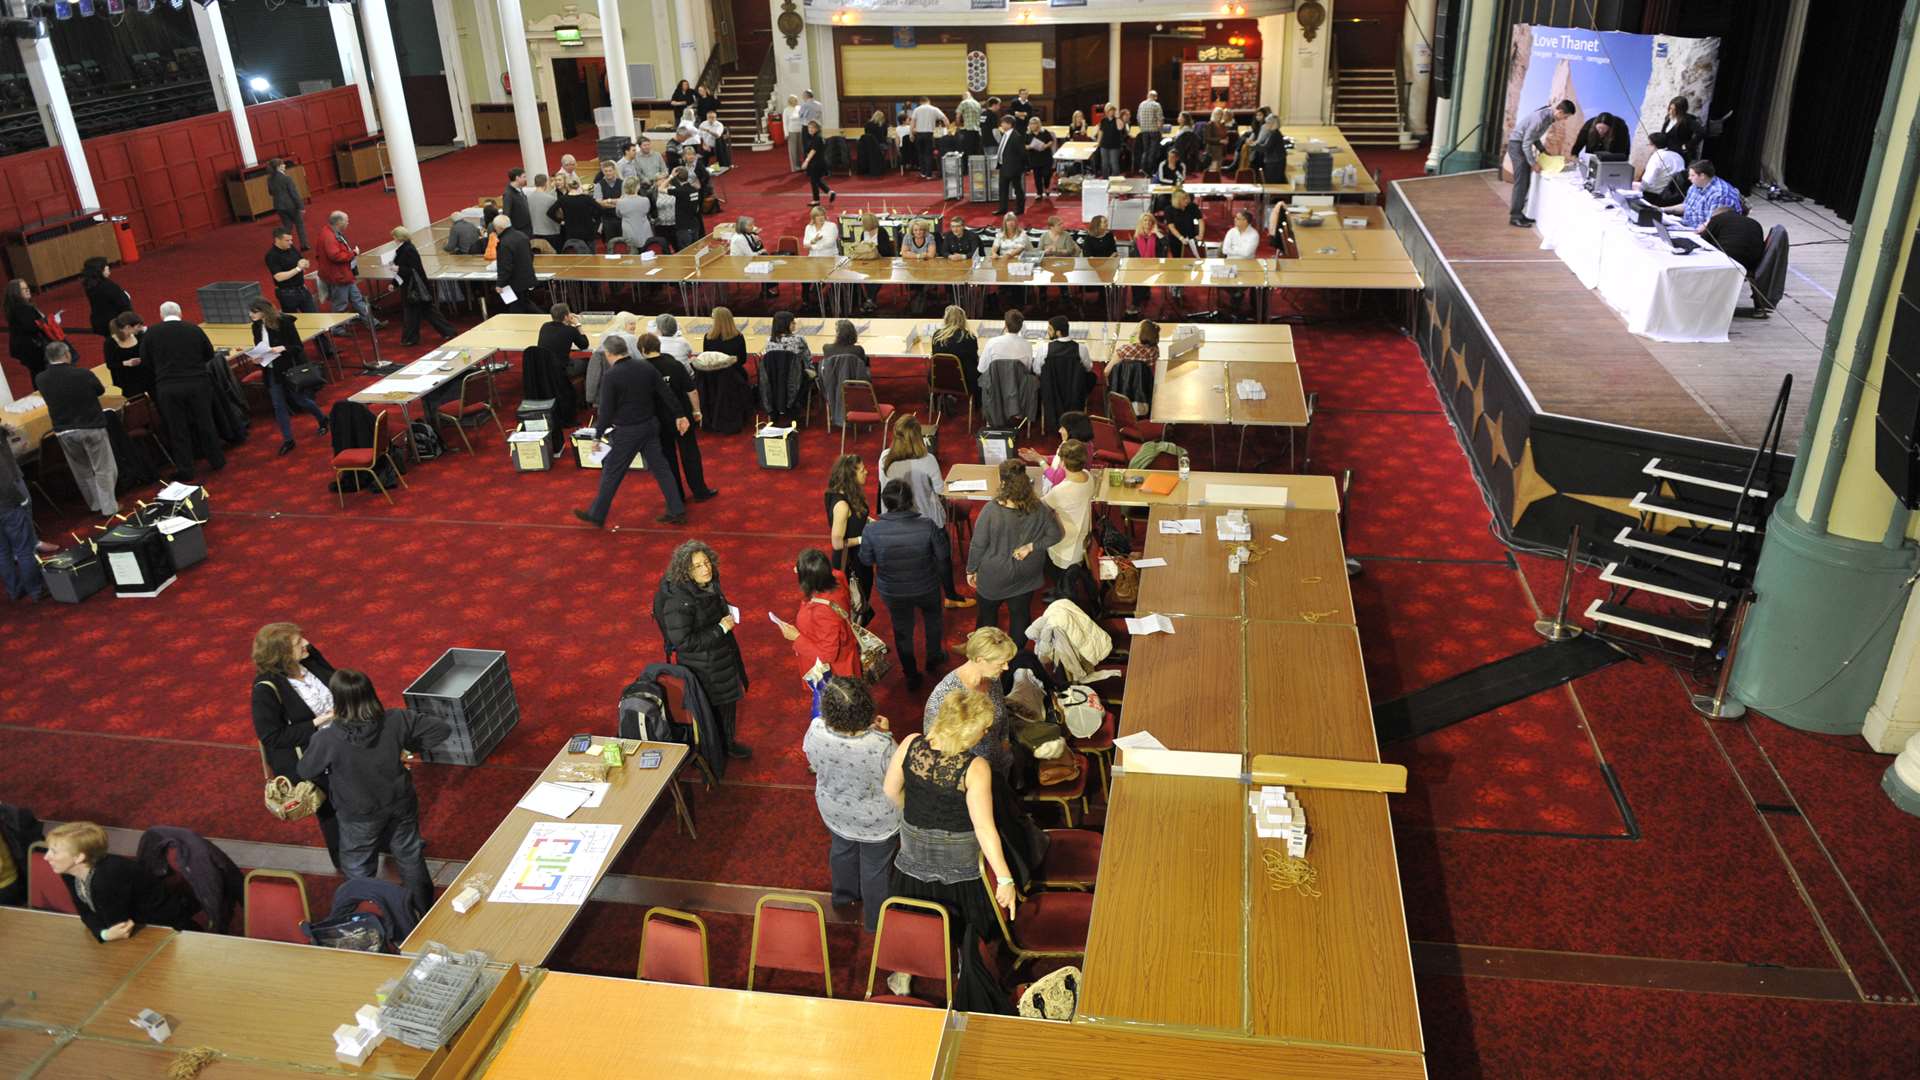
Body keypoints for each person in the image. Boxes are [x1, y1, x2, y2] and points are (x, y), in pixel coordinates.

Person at [297, 670, 448, 915]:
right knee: (409, 855)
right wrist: (409, 749)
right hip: (399, 802)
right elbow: (440, 730)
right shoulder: (396, 719)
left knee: (358, 865)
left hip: (358, 812)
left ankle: (374, 915)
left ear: (337, 700)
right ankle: (424, 912)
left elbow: (305, 769)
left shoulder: (328, 739)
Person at [884, 687, 1018, 941]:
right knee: (964, 931)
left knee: (913, 923)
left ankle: (904, 972)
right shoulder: (976, 767)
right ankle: (960, 968)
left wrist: (916, 816)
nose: (986, 732)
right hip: (959, 861)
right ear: (968, 733)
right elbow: (984, 828)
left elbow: (890, 791)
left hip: (912, 850)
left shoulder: (910, 743)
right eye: (984, 727)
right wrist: (1004, 878)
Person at [804, 676, 898, 930]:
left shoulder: (815, 729)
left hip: (834, 810)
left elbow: (812, 761)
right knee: (875, 868)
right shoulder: (880, 744)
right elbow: (896, 778)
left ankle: (843, 897)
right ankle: (876, 922)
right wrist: (886, 733)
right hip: (877, 820)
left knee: (841, 850)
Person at [250, 622, 343, 867]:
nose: (305, 644)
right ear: (280, 655)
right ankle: (345, 862)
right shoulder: (265, 690)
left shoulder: (310, 658)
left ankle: (384, 841)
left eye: (302, 638)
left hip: (345, 742)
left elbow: (337, 681)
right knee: (332, 811)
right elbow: (272, 737)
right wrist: (318, 721)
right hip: (317, 759)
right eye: (296, 643)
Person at [573, 334, 689, 527]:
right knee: (662, 469)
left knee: (612, 471)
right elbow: (665, 392)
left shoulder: (611, 376)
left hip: (628, 431)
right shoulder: (645, 366)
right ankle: (677, 510)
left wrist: (598, 434)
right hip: (651, 426)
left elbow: (606, 410)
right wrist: (680, 414)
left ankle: (597, 514)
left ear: (609, 354)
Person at [654, 540, 753, 758]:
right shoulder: (679, 602)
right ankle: (715, 751)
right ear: (686, 572)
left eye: (706, 562)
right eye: (698, 566)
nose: (706, 568)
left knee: (727, 704)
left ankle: (727, 744)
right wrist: (719, 629)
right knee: (711, 711)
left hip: (720, 656)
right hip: (704, 665)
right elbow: (683, 642)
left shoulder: (707, 583)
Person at [860, 479, 953, 691]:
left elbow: (866, 560)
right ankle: (934, 657)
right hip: (926, 585)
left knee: (902, 629)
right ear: (910, 501)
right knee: (933, 621)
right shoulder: (927, 524)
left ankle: (910, 672)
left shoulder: (872, 530)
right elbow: (943, 555)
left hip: (893, 590)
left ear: (885, 502)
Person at [44, 821, 198, 942]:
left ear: (79, 857)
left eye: (54, 852)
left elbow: (119, 927)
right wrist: (103, 934)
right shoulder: (69, 871)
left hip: (170, 933)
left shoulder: (107, 878)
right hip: (141, 933)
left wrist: (105, 932)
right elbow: (85, 913)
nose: (46, 857)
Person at [879, 415, 972, 608]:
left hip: (896, 522)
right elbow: (939, 490)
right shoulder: (927, 459)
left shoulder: (885, 458)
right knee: (943, 557)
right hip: (927, 521)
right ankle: (951, 597)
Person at [968, 459, 1062, 644]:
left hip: (995, 575)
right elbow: (1055, 535)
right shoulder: (1039, 507)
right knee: (1020, 616)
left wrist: (971, 569)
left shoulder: (991, 510)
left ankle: (989, 656)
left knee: (987, 619)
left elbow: (978, 545)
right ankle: (1016, 657)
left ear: (1003, 483)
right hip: (1027, 572)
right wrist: (1031, 546)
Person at [142, 301, 226, 481]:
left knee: (177, 428)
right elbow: (209, 354)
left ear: (161, 315)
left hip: (168, 386)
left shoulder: (151, 334)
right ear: (180, 313)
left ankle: (186, 468)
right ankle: (216, 459)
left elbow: (146, 361)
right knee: (205, 422)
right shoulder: (193, 329)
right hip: (197, 382)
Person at [36, 342, 117, 515]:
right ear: (66, 355)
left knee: (82, 471)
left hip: (64, 430)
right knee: (103, 468)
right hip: (91, 425)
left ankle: (95, 505)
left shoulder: (41, 379)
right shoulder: (82, 374)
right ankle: (109, 507)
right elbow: (99, 390)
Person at [641, 331, 718, 503]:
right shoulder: (674, 364)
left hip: (658, 420)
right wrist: (697, 411)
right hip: (681, 416)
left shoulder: (642, 369)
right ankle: (700, 491)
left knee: (668, 457)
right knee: (690, 454)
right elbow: (691, 391)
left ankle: (677, 495)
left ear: (643, 350)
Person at [246, 299, 329, 455]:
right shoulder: (256, 326)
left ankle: (322, 419)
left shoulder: (284, 323)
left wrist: (282, 348)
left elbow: (297, 346)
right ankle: (288, 439)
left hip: (287, 369)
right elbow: (260, 348)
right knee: (278, 405)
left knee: (300, 400)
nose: (250, 315)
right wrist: (257, 358)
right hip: (270, 370)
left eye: (253, 312)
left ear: (263, 311)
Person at [774, 547, 862, 680]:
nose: (794, 570)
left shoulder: (822, 612)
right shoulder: (837, 577)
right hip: (847, 652)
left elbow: (828, 655)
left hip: (835, 673)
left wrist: (797, 638)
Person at [263, 229, 334, 367]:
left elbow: (300, 260)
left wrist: (304, 263)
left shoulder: (291, 248)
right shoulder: (271, 256)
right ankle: (298, 355)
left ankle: (326, 349)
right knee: (291, 326)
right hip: (287, 293)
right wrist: (297, 269)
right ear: (277, 240)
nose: (291, 242)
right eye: (287, 240)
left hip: (302, 289)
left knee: (315, 319)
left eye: (291, 240)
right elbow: (278, 277)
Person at [1, 421, 51, 602]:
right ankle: (36, 590)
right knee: (24, 548)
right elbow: (4, 477)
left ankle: (14, 590)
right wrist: (20, 499)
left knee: (3, 551)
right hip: (7, 501)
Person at [1508, 99, 1576, 227]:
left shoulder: (1548, 117)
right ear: (1560, 112)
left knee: (1525, 181)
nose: (1565, 119)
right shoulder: (1541, 119)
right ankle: (1515, 217)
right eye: (1565, 117)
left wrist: (1543, 151)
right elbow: (1527, 143)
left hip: (1520, 145)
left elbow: (1535, 137)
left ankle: (1519, 213)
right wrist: (1533, 163)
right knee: (1521, 181)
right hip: (1517, 146)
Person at [825, 454, 874, 620]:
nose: (866, 472)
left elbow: (857, 518)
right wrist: (863, 539)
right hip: (851, 564)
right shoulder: (842, 505)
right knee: (855, 605)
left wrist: (869, 522)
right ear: (851, 476)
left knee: (860, 601)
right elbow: (837, 543)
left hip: (860, 558)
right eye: (862, 470)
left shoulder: (851, 494)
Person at [1040, 439, 1095, 584]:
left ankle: (1059, 592)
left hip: (1065, 540)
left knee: (1061, 579)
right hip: (1082, 533)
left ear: (1062, 463)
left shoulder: (1060, 491)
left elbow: (1040, 506)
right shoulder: (1088, 476)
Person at [389, 227, 455, 346]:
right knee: (427, 312)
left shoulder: (407, 250)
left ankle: (410, 339)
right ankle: (448, 332)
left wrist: (398, 270)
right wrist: (394, 283)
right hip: (416, 287)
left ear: (398, 238)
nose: (393, 239)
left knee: (413, 314)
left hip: (414, 287)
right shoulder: (406, 248)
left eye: (394, 237)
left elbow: (414, 269)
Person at [316, 211, 380, 329]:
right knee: (340, 305)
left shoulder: (329, 232)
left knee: (358, 299)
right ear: (339, 222)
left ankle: (371, 323)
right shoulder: (330, 237)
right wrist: (353, 254)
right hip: (339, 276)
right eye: (346, 220)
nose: (348, 223)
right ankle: (337, 329)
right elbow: (335, 256)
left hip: (344, 274)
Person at [1666, 159, 1746, 232]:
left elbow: (1712, 224)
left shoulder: (1719, 195)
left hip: (1702, 232)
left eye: (1692, 175)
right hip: (1687, 225)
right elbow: (1687, 206)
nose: (1689, 178)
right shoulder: (1696, 185)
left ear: (1702, 176)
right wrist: (1662, 209)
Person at [5, 279, 58, 383]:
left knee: (37, 372)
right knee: (39, 372)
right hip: (31, 347)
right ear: (16, 293)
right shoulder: (22, 308)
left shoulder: (15, 307)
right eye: (23, 289)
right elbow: (31, 327)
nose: (27, 290)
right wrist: (46, 323)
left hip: (25, 347)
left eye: (27, 288)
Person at [930, 303, 980, 405]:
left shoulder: (937, 336)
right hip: (964, 382)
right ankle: (979, 404)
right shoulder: (969, 337)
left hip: (939, 379)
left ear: (946, 319)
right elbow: (975, 361)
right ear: (963, 319)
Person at [1702, 205, 1768, 277]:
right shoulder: (1754, 222)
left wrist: (1703, 229)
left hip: (1727, 263)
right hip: (1752, 266)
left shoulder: (1717, 218)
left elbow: (1703, 242)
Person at [1110, 321, 1159, 414]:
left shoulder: (1124, 350)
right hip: (1145, 395)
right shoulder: (1155, 351)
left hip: (1121, 394)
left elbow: (1106, 371)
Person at [492, 215, 536, 313]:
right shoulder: (522, 235)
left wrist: (500, 284)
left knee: (517, 307)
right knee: (525, 303)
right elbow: (531, 256)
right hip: (527, 277)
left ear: (499, 228)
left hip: (514, 282)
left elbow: (505, 266)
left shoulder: (504, 243)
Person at [103, 311, 152, 400]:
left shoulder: (139, 336)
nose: (141, 328)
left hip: (145, 374)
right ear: (128, 327)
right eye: (138, 326)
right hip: (127, 380)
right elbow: (110, 364)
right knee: (137, 403)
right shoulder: (110, 343)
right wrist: (126, 363)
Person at [81, 256, 132, 340]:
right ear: (99, 270)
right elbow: (123, 305)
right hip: (116, 323)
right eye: (105, 266)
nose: (108, 267)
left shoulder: (90, 285)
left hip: (102, 322)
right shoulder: (108, 286)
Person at [548, 176, 602, 253]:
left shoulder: (563, 199)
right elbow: (600, 209)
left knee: (574, 256)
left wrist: (561, 221)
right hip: (588, 231)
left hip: (571, 232)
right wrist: (594, 219)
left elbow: (550, 212)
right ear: (578, 186)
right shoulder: (586, 198)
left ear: (567, 187)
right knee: (591, 257)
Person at [981, 308, 1039, 376]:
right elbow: (1027, 369)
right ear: (1021, 326)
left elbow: (982, 369)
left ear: (1005, 325)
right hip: (1019, 385)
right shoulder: (1028, 345)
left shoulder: (991, 343)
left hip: (996, 385)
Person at [539, 303, 589, 381]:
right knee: (589, 362)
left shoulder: (545, 326)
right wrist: (578, 325)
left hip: (544, 367)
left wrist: (567, 319)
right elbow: (584, 345)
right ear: (566, 317)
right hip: (562, 369)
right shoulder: (570, 330)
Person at [1127, 213, 1165, 314]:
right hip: (1139, 265)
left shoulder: (1157, 234)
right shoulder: (1137, 236)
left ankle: (1136, 303)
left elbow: (1166, 245)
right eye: (1145, 220)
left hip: (1155, 265)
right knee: (1136, 276)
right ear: (1141, 223)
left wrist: (1157, 232)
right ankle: (1137, 301)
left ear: (1153, 223)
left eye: (1149, 220)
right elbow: (1133, 253)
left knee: (1142, 276)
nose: (1147, 222)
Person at [267, 157, 308, 248]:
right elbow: (294, 194)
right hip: (291, 205)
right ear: (279, 167)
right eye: (283, 164)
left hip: (279, 206)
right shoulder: (286, 178)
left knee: (287, 226)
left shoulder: (269, 179)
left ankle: (282, 244)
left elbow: (270, 193)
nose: (285, 165)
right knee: (299, 225)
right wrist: (301, 206)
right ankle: (304, 245)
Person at [1639, 132, 1688, 207]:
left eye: (1648, 144)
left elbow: (1647, 181)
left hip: (1655, 197)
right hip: (1675, 197)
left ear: (1653, 145)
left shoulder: (1656, 156)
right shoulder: (1678, 156)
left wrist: (1638, 189)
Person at [993, 115, 1029, 215]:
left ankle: (1020, 209)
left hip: (1014, 168)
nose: (1001, 124)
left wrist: (1023, 167)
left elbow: (1022, 153)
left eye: (1003, 122)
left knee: (1017, 189)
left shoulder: (1016, 136)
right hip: (1003, 166)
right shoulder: (1005, 134)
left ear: (1009, 124)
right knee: (1002, 189)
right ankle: (1002, 209)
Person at [614, 178, 655, 254]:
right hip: (644, 231)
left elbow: (618, 214)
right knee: (647, 254)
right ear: (638, 187)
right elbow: (647, 211)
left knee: (632, 254)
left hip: (629, 231)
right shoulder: (645, 200)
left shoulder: (620, 202)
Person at [801, 120, 836, 206]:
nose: (810, 129)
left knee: (814, 181)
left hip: (816, 163)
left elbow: (813, 151)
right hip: (818, 162)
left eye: (812, 128)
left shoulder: (817, 138)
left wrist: (806, 161)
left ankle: (816, 200)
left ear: (817, 129)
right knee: (817, 180)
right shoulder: (816, 137)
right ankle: (830, 192)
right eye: (809, 127)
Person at [912, 96, 947, 178]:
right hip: (929, 134)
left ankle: (923, 173)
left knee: (921, 154)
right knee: (928, 154)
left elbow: (912, 123)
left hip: (919, 134)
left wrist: (911, 134)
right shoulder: (934, 109)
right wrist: (948, 128)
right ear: (929, 101)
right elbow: (944, 118)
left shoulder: (916, 109)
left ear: (921, 102)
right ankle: (929, 175)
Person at [1161, 187, 1203, 255]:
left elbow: (1200, 220)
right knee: (1178, 260)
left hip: (1191, 238)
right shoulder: (1169, 209)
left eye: (1187, 198)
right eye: (1184, 199)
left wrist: (1200, 235)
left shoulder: (1192, 206)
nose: (1187, 200)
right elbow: (1171, 226)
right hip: (1176, 239)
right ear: (1177, 200)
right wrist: (1181, 238)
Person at [526, 174, 561, 251]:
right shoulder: (552, 199)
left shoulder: (528, 199)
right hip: (551, 233)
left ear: (535, 183)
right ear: (546, 183)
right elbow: (558, 215)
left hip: (535, 233)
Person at [1026, 117, 1057, 200]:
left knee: (1047, 174)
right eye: (1031, 124)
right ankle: (1039, 193)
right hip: (1034, 158)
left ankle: (1046, 186)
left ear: (1038, 124)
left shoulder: (1044, 132)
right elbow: (1024, 145)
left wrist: (1045, 146)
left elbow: (1051, 141)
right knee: (1037, 176)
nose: (1032, 125)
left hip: (1046, 157)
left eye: (1034, 123)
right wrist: (1029, 146)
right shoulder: (1028, 134)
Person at [1661, 95, 1701, 161]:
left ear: (1680, 110)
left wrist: (1687, 146)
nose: (1670, 112)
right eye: (1670, 108)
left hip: (1679, 156)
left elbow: (1701, 133)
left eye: (1674, 110)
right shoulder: (1668, 118)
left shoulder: (1688, 120)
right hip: (1666, 153)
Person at [1136, 89, 1164, 173]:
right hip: (1154, 131)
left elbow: (1138, 118)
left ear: (1148, 96)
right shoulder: (1156, 105)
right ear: (1155, 97)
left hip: (1144, 131)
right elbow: (1160, 119)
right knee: (1153, 151)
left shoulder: (1141, 104)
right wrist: (1161, 131)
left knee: (1145, 150)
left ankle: (1143, 168)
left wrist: (1142, 127)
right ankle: (1150, 170)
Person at [1255, 115, 1287, 183]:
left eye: (1267, 123)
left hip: (1275, 162)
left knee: (1272, 182)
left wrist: (1254, 146)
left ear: (1272, 124)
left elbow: (1266, 148)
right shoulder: (1272, 133)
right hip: (1274, 160)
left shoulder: (1274, 134)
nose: (1266, 125)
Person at [1097, 103, 1126, 178]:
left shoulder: (1117, 120)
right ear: (1106, 111)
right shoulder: (1103, 120)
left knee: (1114, 163)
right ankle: (1105, 178)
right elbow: (1101, 132)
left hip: (1115, 145)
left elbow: (1120, 128)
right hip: (1104, 145)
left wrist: (1118, 119)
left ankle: (1115, 178)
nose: (1112, 112)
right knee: (1104, 163)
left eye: (1113, 110)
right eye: (1110, 110)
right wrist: (1098, 143)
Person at [956, 91, 983, 157]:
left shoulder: (964, 102)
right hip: (977, 131)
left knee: (967, 151)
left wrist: (958, 126)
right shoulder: (977, 104)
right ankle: (975, 166)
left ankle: (967, 167)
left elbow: (958, 116)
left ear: (964, 96)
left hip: (968, 130)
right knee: (976, 151)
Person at [783, 94, 805, 170]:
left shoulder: (799, 108)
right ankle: (795, 167)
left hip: (801, 130)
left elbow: (803, 118)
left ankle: (803, 165)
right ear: (790, 101)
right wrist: (786, 133)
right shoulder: (786, 110)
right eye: (795, 100)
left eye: (797, 99)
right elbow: (785, 123)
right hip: (792, 131)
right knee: (793, 150)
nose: (796, 101)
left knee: (801, 149)